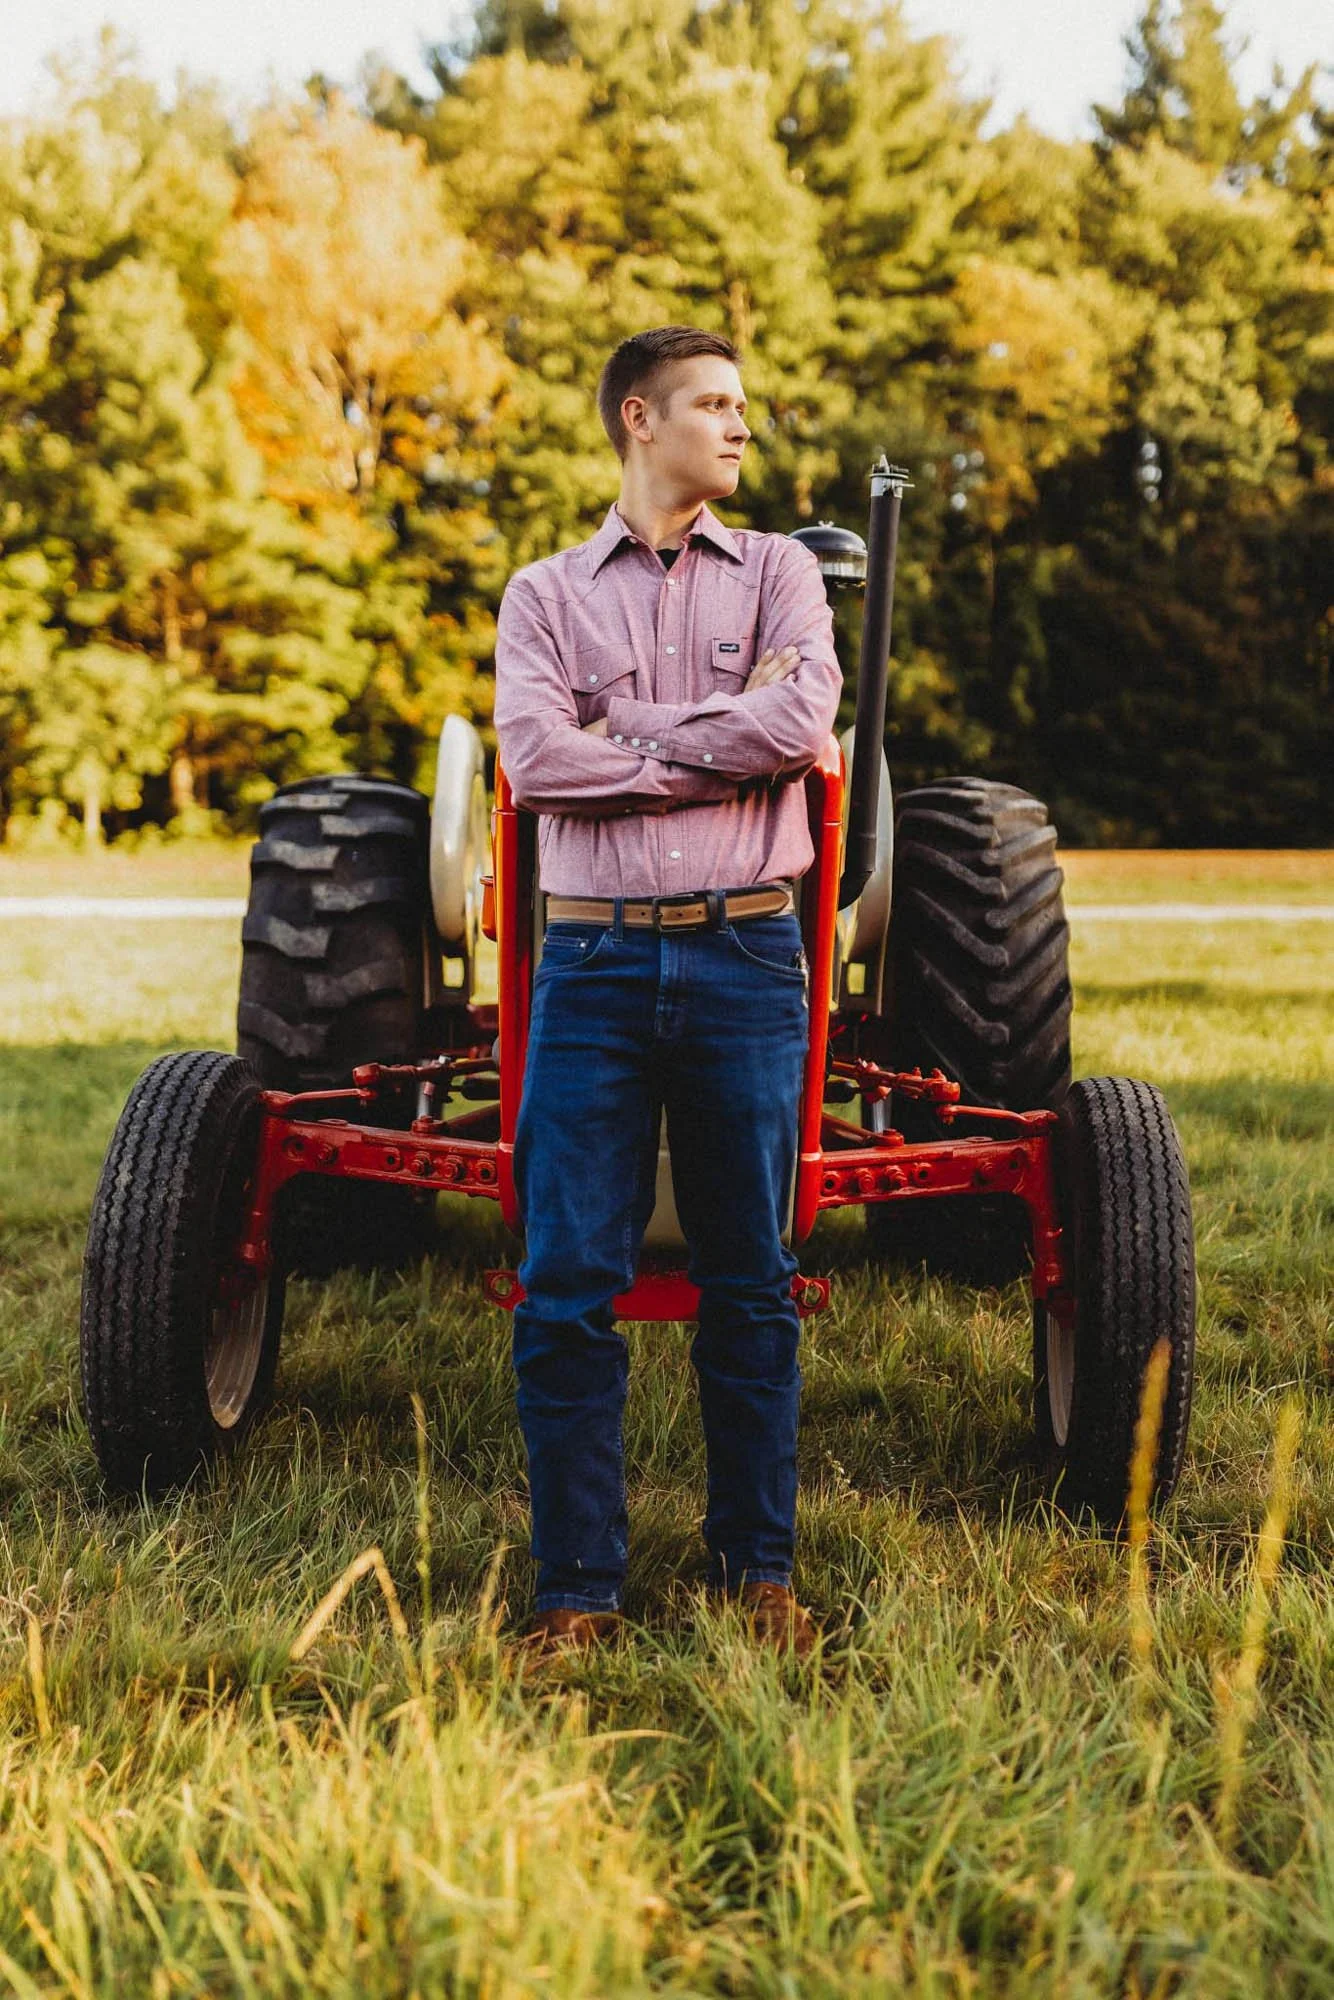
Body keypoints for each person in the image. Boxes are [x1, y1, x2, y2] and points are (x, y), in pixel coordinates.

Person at [493, 325, 842, 1655]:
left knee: (750, 1278)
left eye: (743, 402)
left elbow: (798, 730)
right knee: (567, 1280)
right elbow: (534, 755)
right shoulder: (544, 593)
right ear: (639, 419)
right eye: (713, 403)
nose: (740, 424)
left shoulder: (781, 574)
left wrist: (622, 734)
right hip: (589, 957)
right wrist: (705, 751)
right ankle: (575, 1591)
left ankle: (760, 1575)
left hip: (747, 954)